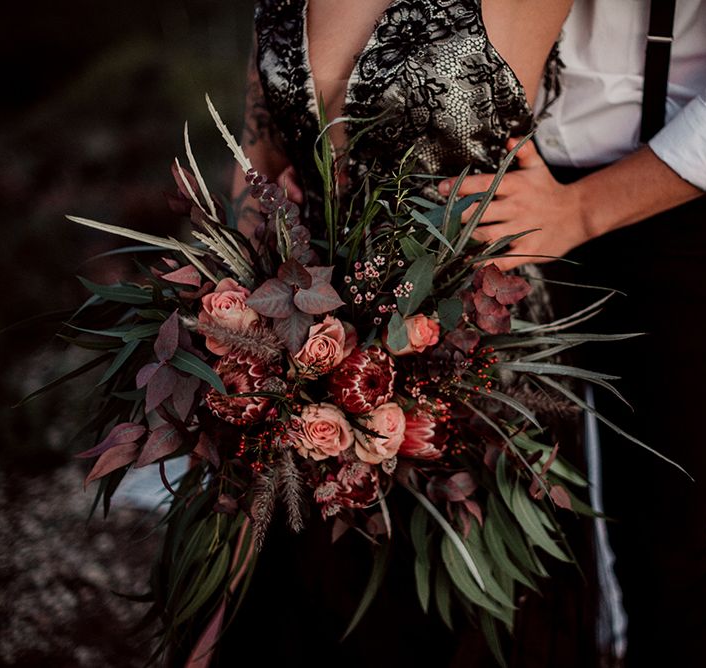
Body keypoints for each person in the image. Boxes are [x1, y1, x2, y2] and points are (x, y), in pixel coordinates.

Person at [221, 2, 607, 667]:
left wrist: (588, 209)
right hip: (300, 349)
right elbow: (260, 155)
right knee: (316, 610)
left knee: (464, 621)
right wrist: (233, 318)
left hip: (474, 366)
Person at [439, 2, 706, 666]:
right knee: (497, 510)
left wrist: (585, 211)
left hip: (671, 198)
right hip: (490, 201)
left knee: (667, 526)